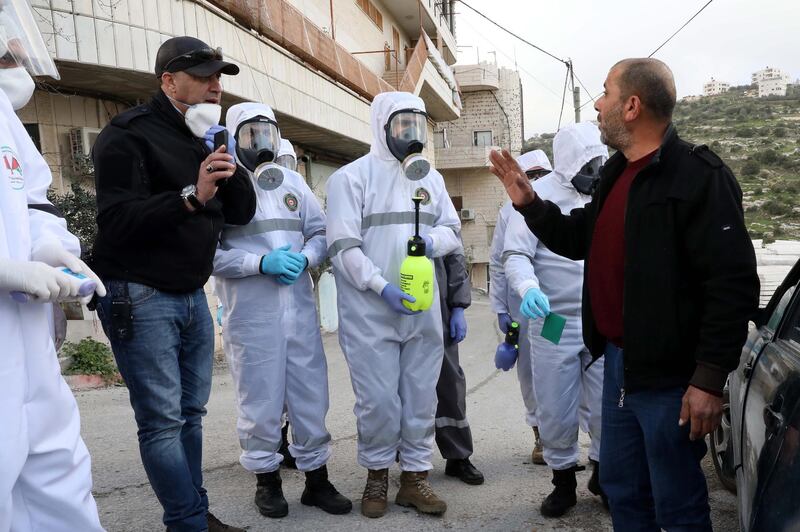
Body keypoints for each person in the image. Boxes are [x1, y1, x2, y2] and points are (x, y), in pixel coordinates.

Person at [489, 58, 760, 531]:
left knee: (675, 501)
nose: (597, 103)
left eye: (606, 93)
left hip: (672, 379)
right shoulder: (617, 174)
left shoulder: (700, 177)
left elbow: (731, 284)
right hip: (617, 364)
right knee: (624, 491)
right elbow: (580, 237)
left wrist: (709, 380)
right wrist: (530, 203)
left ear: (632, 106)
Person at [91, 36, 256, 532]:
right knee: (162, 421)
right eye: (203, 77)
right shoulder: (126, 135)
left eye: (218, 77)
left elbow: (242, 213)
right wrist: (192, 193)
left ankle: (193, 514)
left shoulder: (204, 137)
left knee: (191, 413)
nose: (215, 86)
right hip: (139, 294)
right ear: (168, 81)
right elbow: (116, 220)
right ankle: (188, 523)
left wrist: (225, 157)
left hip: (190, 295)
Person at [326, 91, 461, 518]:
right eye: (403, 125)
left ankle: (414, 478)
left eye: (418, 126)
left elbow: (452, 231)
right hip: (371, 312)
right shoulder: (351, 178)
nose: (411, 135)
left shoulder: (431, 179)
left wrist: (431, 241)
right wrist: (381, 286)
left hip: (421, 308)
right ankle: (377, 473)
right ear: (382, 126)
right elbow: (344, 248)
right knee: (379, 401)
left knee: (421, 396)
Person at [214, 102, 351, 519]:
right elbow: (207, 253)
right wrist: (259, 263)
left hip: (299, 312)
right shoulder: (220, 184)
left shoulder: (292, 181)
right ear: (233, 139)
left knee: (311, 395)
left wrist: (308, 259)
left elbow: (320, 231)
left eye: (266, 135)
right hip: (251, 317)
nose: (260, 145)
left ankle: (316, 479)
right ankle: (267, 481)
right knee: (260, 400)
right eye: (250, 136)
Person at [0, 2, 106, 530]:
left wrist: (55, 251)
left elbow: (35, 204)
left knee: (60, 474)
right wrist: (5, 270)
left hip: (27, 342)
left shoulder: (5, 121)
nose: (16, 54)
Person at [503, 123, 607, 517]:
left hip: (600, 318)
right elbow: (515, 254)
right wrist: (528, 289)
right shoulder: (537, 196)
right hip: (553, 318)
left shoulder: (605, 194)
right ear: (565, 166)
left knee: (605, 405)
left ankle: (602, 472)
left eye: (599, 163)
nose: (595, 173)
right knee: (556, 403)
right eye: (587, 166)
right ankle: (562, 480)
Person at [488, 149, 551, 465]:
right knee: (531, 374)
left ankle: (586, 438)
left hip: (556, 310)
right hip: (524, 311)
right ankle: (541, 435)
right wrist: (501, 309)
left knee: (565, 368)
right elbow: (499, 264)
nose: (538, 181)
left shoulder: (562, 204)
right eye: (533, 175)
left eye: (542, 174)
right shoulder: (508, 213)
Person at [433, 250, 484, 485]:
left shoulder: (437, 211)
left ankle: (458, 455)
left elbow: (454, 254)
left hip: (439, 307)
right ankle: (407, 464)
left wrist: (458, 307)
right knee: (398, 388)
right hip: (394, 304)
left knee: (449, 383)